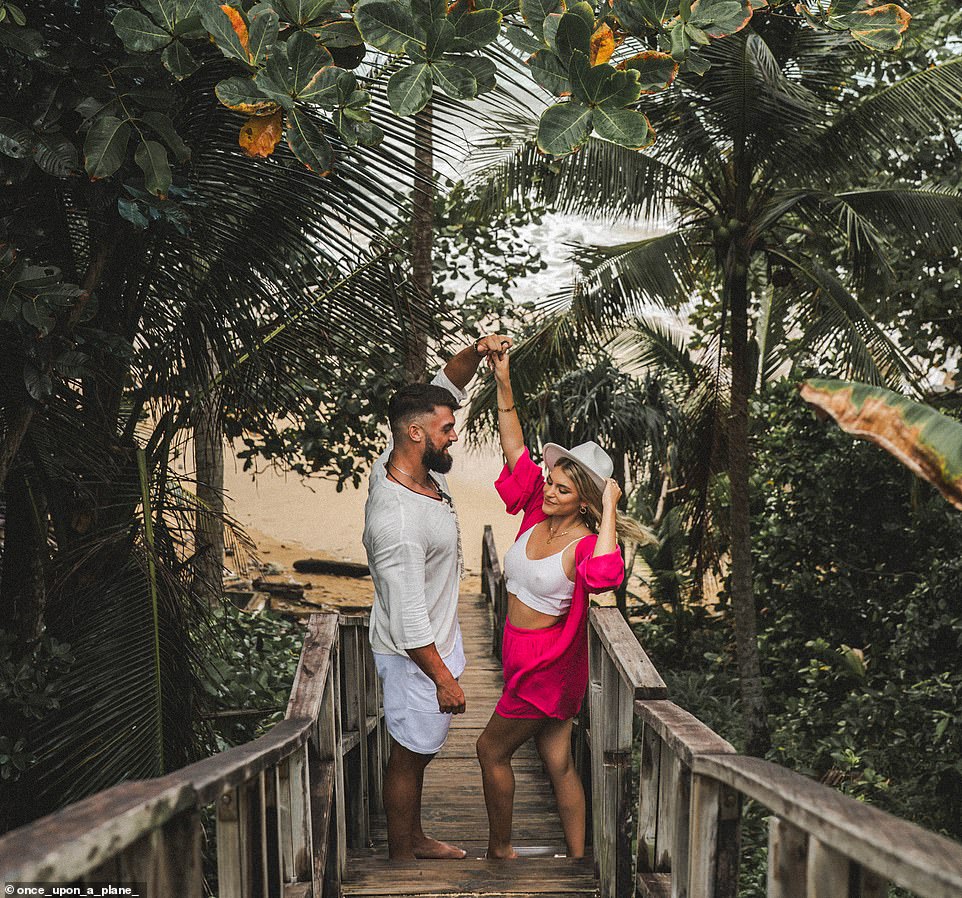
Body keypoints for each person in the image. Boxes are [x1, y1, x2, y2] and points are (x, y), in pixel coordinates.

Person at [475, 346, 653, 860]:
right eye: (551, 482)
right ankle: (578, 857)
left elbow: (604, 578)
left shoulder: (584, 545)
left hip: (545, 668)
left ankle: (500, 850)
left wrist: (612, 506)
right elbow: (515, 449)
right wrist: (503, 381)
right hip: (519, 657)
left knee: (490, 750)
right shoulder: (536, 512)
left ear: (585, 500)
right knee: (557, 762)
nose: (550, 491)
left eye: (563, 488)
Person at [363, 334, 512, 861]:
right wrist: (444, 680)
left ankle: (414, 836)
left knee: (420, 752)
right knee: (409, 754)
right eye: (447, 429)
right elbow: (406, 620)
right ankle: (402, 856)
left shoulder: (409, 460)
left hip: (434, 644)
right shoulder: (398, 520)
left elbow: (446, 383)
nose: (453, 437)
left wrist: (479, 349)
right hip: (414, 658)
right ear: (415, 432)